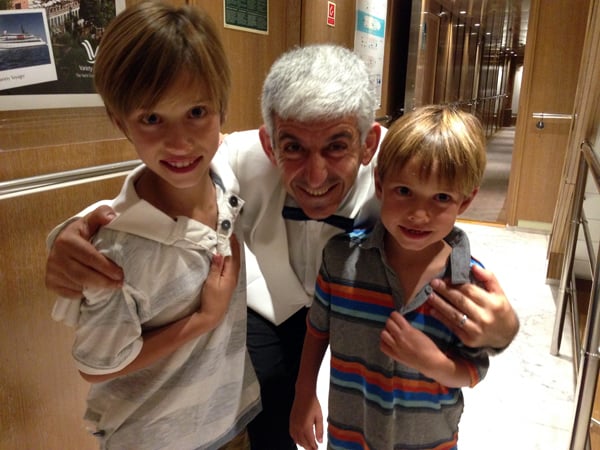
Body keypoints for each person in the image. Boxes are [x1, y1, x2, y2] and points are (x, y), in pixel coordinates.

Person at [45, 45, 519, 449]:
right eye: (292, 148)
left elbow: (452, 245)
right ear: (269, 145)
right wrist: (75, 231)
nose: (315, 177)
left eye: (337, 147)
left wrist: (504, 329)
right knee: (266, 401)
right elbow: (169, 184)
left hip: (362, 304)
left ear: (370, 145)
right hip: (273, 302)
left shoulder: (402, 178)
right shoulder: (239, 159)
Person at [50, 2, 260, 449]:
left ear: (221, 109)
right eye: (151, 118)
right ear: (120, 121)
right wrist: (206, 319)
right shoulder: (114, 253)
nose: (180, 140)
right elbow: (98, 365)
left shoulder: (226, 182)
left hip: (229, 420)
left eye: (197, 112)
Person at [290, 105, 491, 450]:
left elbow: (472, 371)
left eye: (441, 197)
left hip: (430, 440)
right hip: (352, 435)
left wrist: (431, 362)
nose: (418, 214)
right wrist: (304, 392)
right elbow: (317, 329)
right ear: (381, 185)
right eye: (404, 191)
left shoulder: (471, 284)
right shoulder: (340, 260)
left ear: (466, 200)